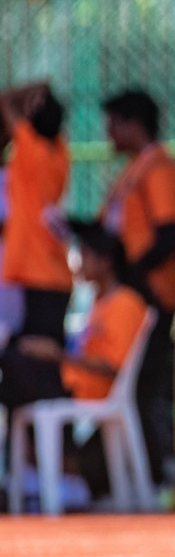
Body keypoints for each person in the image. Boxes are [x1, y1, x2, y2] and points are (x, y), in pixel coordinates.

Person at [100, 88, 175, 487]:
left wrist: (133, 271)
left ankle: (158, 475)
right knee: (133, 388)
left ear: (134, 124)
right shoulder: (133, 169)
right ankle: (132, 476)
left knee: (146, 388)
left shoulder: (158, 168)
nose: (108, 133)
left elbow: (169, 234)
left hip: (152, 296)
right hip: (134, 293)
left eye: (113, 124)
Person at [7, 223, 150, 407]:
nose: (79, 262)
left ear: (105, 261)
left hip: (85, 391)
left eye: (84, 254)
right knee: (12, 372)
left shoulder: (125, 303)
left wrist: (58, 355)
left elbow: (115, 366)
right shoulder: (99, 301)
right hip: (72, 382)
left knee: (11, 359)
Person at [0, 84, 72, 403]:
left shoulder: (31, 149)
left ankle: (54, 443)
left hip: (38, 273)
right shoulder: (60, 153)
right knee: (39, 358)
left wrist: (36, 87)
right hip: (55, 273)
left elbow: (6, 103)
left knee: (35, 362)